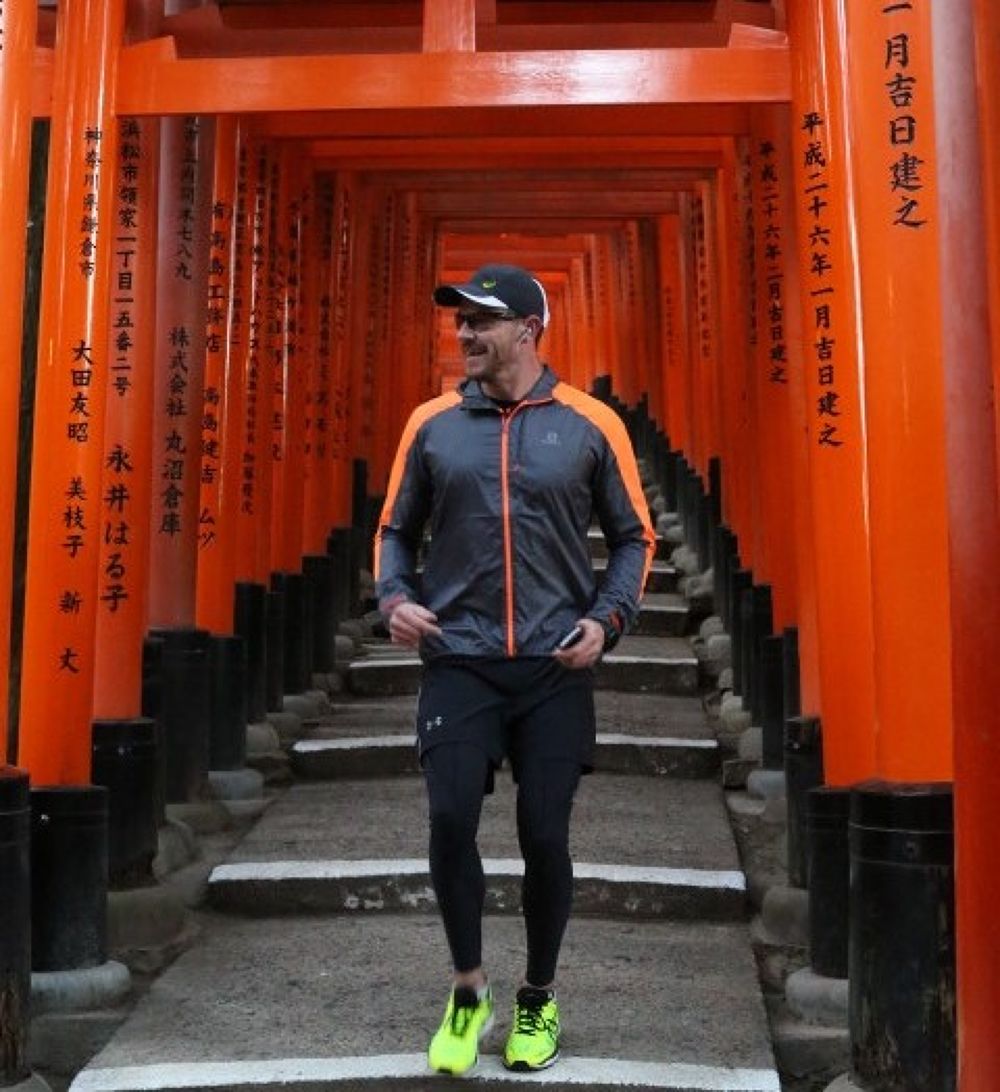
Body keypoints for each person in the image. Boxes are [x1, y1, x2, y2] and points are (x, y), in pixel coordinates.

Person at [374, 263, 654, 1076]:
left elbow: (634, 537)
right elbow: (395, 530)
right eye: (460, 320)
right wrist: (394, 598)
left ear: (528, 330)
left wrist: (608, 621)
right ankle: (469, 990)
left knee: (544, 833)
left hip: (553, 664)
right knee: (450, 817)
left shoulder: (590, 423)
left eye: (481, 321)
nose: (464, 333)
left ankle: (538, 994)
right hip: (458, 659)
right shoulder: (431, 425)